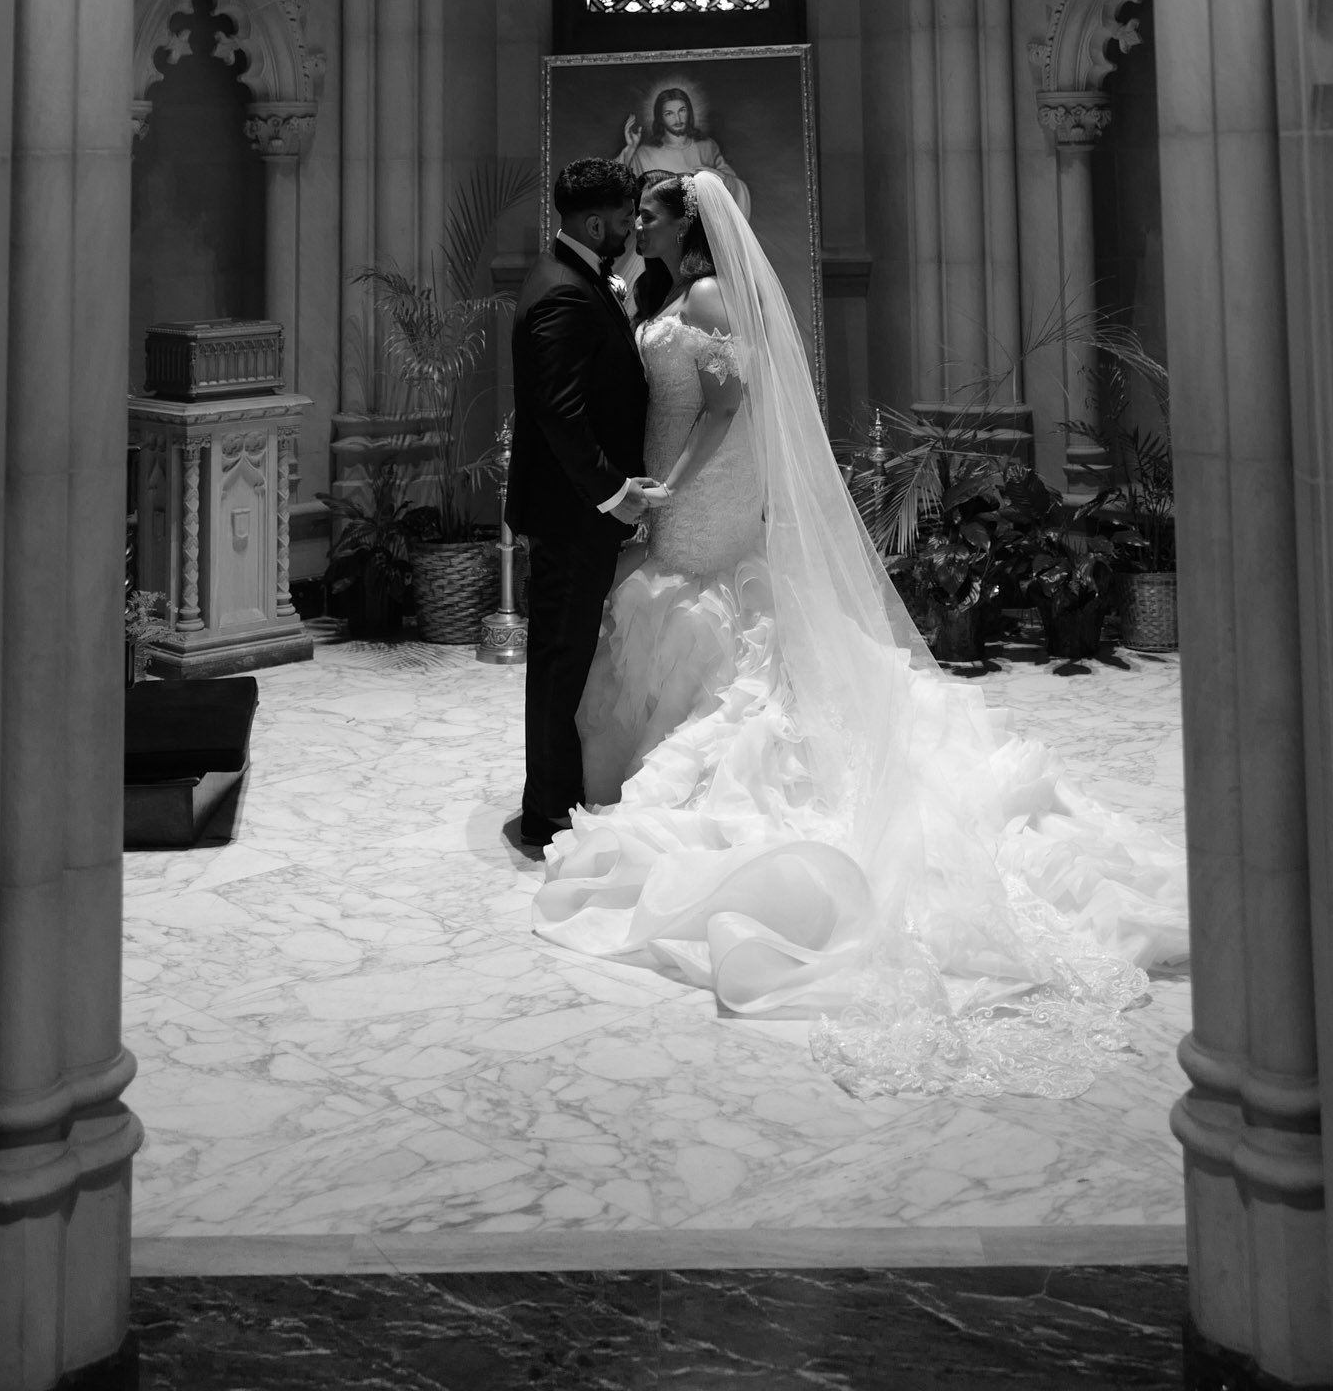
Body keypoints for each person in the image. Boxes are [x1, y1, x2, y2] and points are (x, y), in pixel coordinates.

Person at [536, 169, 1189, 1098]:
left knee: (700, 597)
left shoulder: (713, 294)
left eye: (650, 211)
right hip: (666, 475)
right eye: (636, 209)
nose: (636, 222)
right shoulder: (661, 292)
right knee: (675, 600)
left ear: (690, 225)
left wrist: (671, 485)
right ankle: (658, 739)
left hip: (703, 483)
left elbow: (729, 409)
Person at [502, 158, 668, 861]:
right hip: (575, 514)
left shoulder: (574, 278)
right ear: (595, 222)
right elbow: (560, 414)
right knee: (560, 658)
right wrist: (616, 493)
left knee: (565, 656)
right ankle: (545, 811)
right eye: (627, 217)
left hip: (578, 511)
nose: (633, 228)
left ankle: (558, 791)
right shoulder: (563, 295)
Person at [620, 78, 750, 215]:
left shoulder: (707, 147)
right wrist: (629, 149)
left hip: (702, 224)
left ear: (689, 112)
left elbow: (735, 187)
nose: (678, 119)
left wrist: (719, 179)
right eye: (669, 113)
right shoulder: (644, 154)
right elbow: (620, 190)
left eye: (682, 111)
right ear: (660, 118)